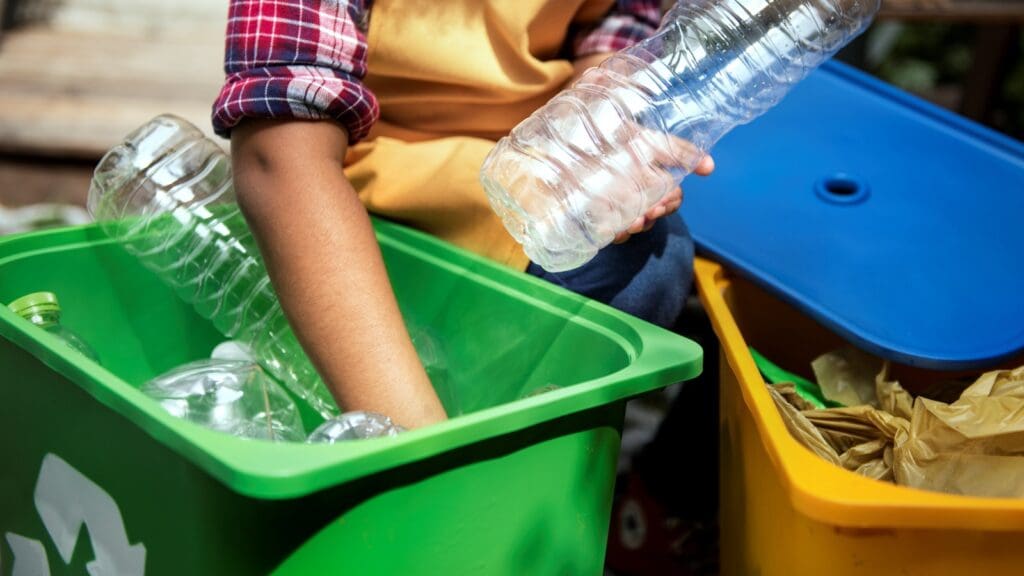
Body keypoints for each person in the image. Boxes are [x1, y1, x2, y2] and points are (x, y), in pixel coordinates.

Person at [212, 0, 714, 429]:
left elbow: (613, 29)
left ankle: (498, 440)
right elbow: (277, 154)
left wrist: (600, 135)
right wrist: (417, 446)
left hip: (527, 155)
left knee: (648, 260)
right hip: (366, 172)